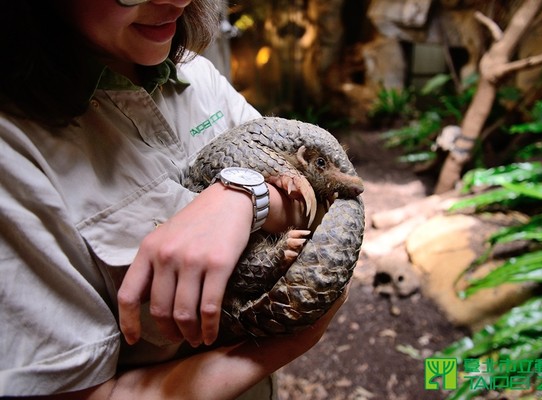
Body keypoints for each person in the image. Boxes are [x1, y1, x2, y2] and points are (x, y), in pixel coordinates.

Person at [0, 0, 348, 398]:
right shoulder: (12, 150)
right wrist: (286, 343)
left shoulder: (193, 73)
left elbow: (313, 193)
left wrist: (245, 198)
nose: (177, 1)